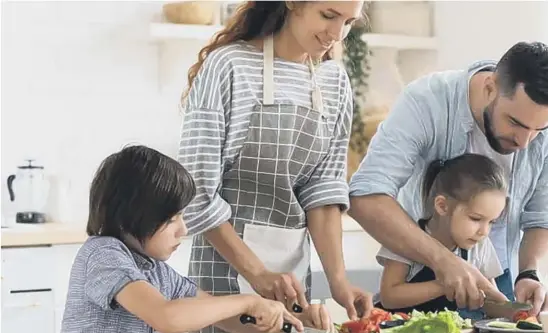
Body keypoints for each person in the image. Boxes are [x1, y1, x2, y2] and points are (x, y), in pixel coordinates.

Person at [178, 2, 372, 332]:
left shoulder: (334, 81)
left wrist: (339, 282)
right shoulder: (229, 67)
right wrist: (258, 274)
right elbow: (196, 194)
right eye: (328, 15)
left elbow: (323, 190)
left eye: (349, 22)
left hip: (293, 282)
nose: (337, 34)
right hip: (224, 275)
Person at [349, 41, 548, 316]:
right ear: (490, 87)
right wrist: (444, 262)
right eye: (515, 123)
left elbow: (544, 217)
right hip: (420, 262)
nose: (525, 142)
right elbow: (366, 196)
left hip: (500, 276)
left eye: (539, 129)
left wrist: (532, 273)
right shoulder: (427, 101)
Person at [60, 145, 311, 333]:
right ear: (132, 215)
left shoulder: (157, 272)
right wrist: (247, 301)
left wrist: (290, 319)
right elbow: (168, 318)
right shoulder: (103, 254)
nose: (184, 230)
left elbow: (223, 318)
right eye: (171, 219)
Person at [375, 154, 507, 320]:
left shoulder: (480, 245)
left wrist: (518, 311)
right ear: (442, 206)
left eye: (491, 222)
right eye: (475, 218)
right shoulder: (406, 239)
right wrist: (445, 283)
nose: (484, 231)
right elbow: (389, 296)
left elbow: (491, 299)